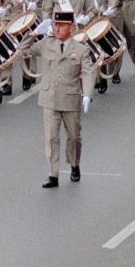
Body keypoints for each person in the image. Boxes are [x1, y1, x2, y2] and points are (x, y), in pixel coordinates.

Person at [19, 10, 95, 188]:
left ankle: (74, 165)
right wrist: (33, 34)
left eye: (62, 25)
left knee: (74, 136)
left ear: (71, 27)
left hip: (70, 98)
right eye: (56, 25)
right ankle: (53, 174)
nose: (58, 28)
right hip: (50, 98)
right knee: (52, 138)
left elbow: (88, 73)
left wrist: (88, 95)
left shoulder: (81, 49)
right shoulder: (46, 44)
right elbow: (23, 50)